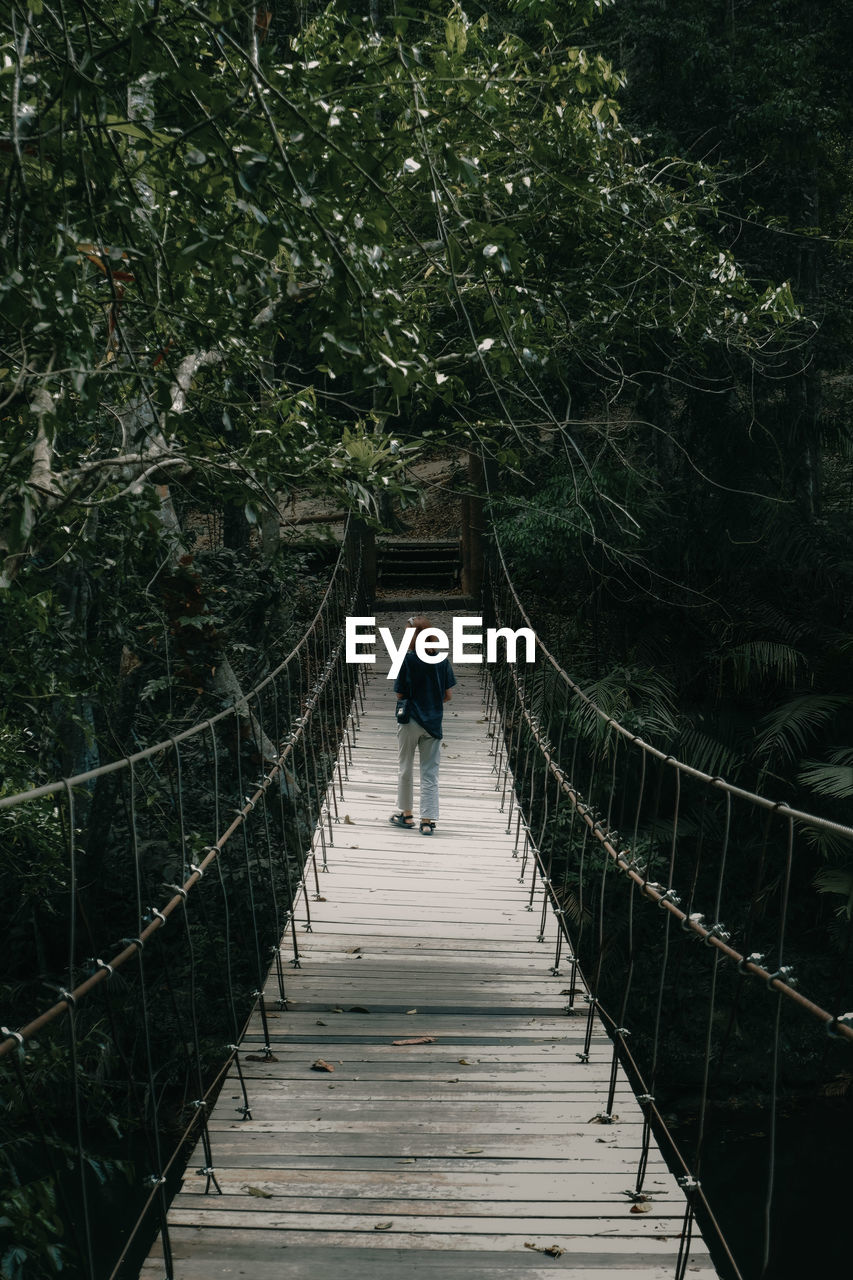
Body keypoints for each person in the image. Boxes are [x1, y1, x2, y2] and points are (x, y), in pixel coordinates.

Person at [389, 615, 456, 835]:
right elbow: (448, 696)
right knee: (430, 772)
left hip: (410, 721)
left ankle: (407, 815)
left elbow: (400, 692)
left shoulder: (406, 660)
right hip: (433, 724)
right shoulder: (442, 661)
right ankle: (426, 821)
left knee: (405, 767)